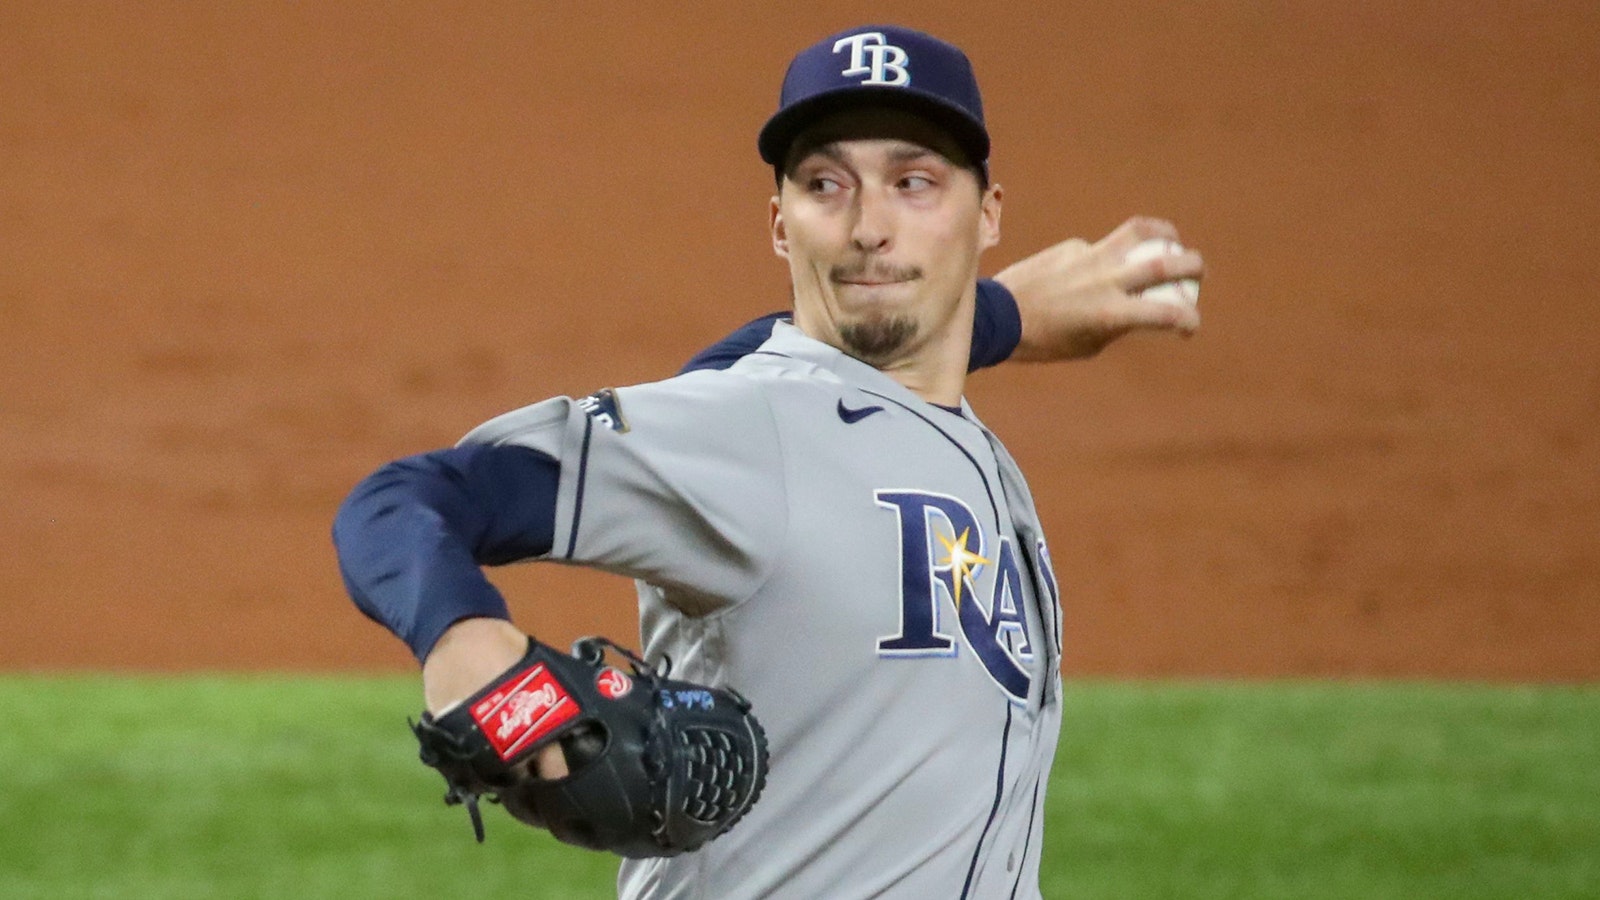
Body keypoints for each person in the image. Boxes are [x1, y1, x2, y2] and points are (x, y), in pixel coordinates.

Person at [333, 23, 1202, 899]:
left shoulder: (949, 431)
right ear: (782, 225)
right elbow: (405, 500)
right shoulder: (746, 430)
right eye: (828, 186)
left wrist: (1000, 314)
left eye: (914, 184)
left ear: (989, 217)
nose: (870, 227)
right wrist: (462, 638)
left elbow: (868, 380)